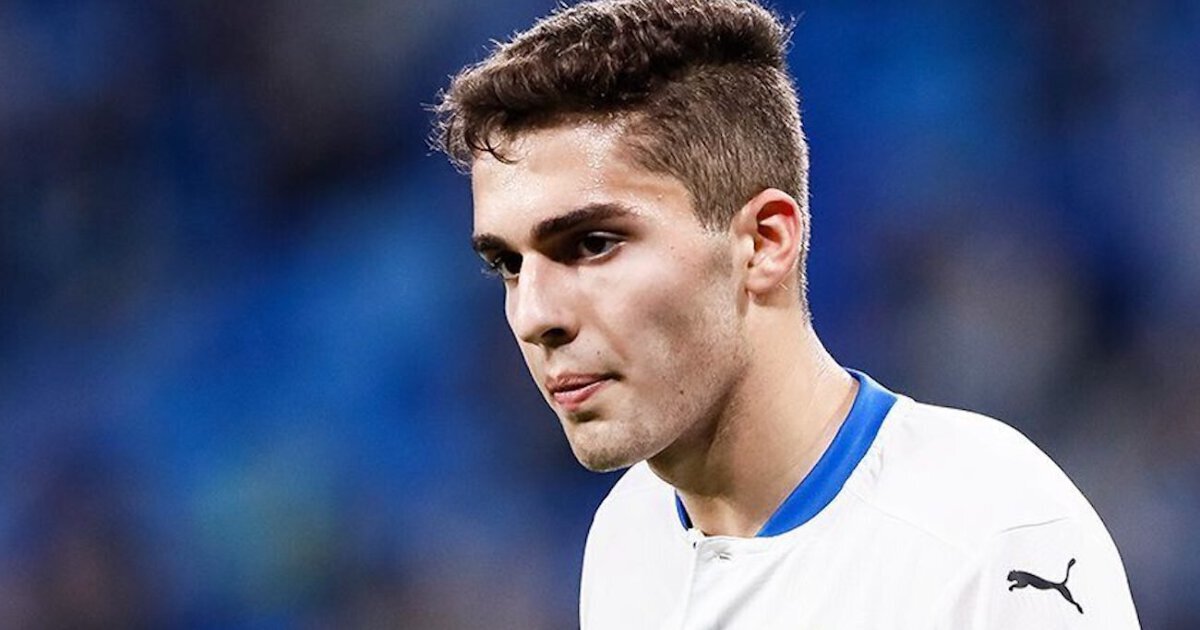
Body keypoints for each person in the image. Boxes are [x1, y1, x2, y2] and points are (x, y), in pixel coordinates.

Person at [432, 0, 1141, 627]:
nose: (534, 315)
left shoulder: (990, 536)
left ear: (764, 242)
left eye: (593, 244)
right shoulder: (626, 535)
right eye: (509, 264)